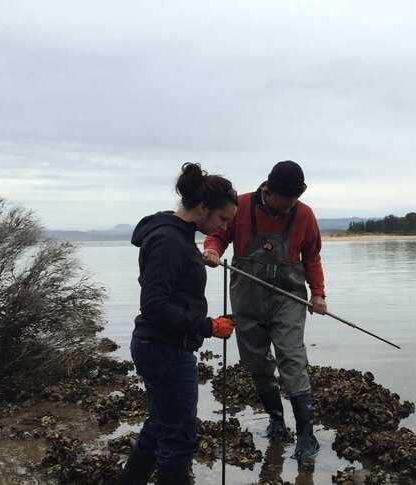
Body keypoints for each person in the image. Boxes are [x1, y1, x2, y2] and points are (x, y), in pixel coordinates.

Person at [118, 163, 239, 485]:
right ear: (203, 207)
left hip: (160, 346)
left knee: (160, 427)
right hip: (164, 348)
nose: (222, 226)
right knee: (179, 440)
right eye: (222, 219)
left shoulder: (177, 237)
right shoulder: (169, 240)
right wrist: (208, 326)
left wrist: (192, 258)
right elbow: (154, 306)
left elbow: (170, 285)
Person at [202, 160, 327, 462]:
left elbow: (312, 256)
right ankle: (276, 419)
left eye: (295, 198)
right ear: (267, 190)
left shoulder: (305, 215)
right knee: (255, 360)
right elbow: (219, 234)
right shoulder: (240, 207)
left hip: (289, 299)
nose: (290, 205)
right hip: (247, 299)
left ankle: (306, 435)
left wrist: (319, 293)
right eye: (285, 198)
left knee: (292, 357)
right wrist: (213, 250)